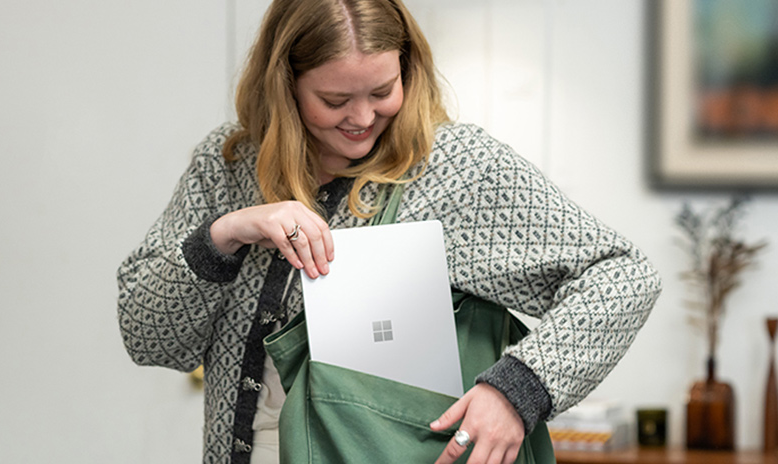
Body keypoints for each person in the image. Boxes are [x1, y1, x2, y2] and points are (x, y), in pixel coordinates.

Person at [116, 0, 662, 463]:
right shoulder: (228, 165)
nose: (362, 116)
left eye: (382, 90)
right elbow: (150, 340)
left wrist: (520, 389)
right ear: (283, 85)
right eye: (334, 100)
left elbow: (623, 276)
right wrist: (225, 234)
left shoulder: (454, 167)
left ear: (407, 69)